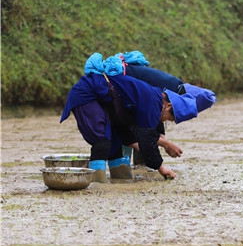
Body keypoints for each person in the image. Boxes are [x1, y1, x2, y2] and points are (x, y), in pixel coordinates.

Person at [60, 53, 216, 183]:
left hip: (108, 105)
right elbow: (147, 140)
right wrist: (161, 168)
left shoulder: (154, 101)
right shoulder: (152, 101)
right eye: (169, 118)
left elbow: (131, 135)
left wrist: (156, 145)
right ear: (168, 106)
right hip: (87, 95)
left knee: (115, 146)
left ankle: (116, 184)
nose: (165, 121)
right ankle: (96, 187)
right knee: (102, 142)